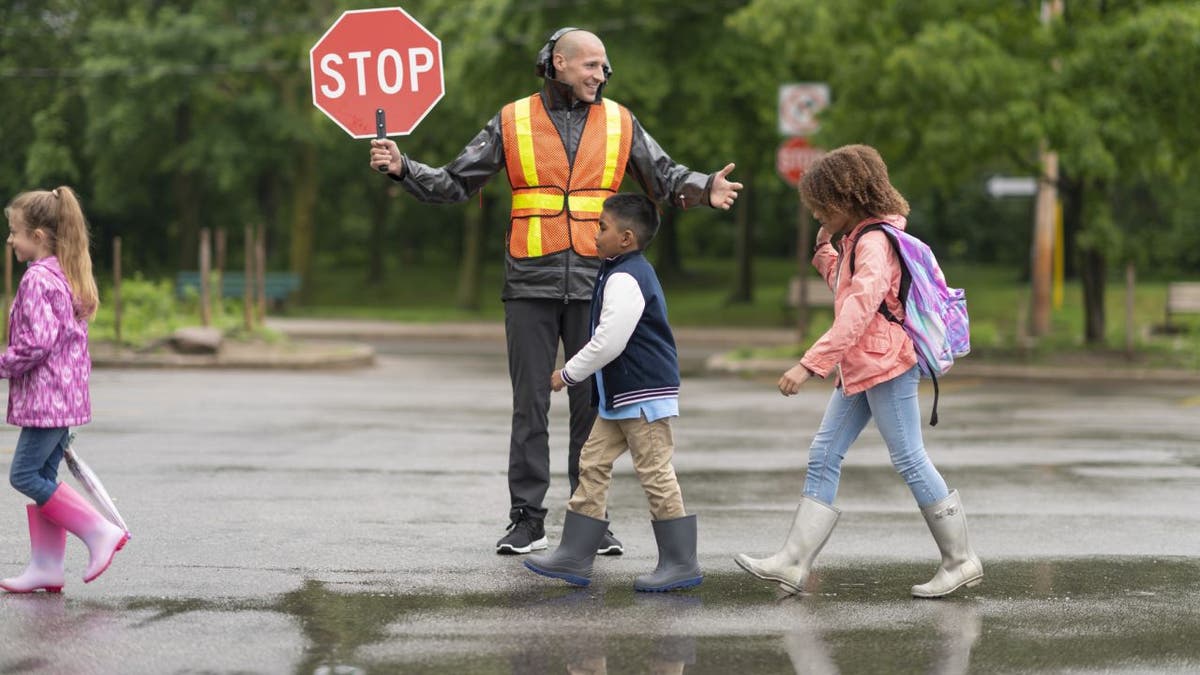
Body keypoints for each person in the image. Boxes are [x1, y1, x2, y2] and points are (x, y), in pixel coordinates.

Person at [369, 27, 741, 555]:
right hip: (528, 281)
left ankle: (592, 519)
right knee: (530, 405)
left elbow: (665, 176)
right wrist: (404, 167)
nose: (601, 74)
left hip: (598, 281)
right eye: (591, 65)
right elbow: (455, 182)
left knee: (595, 407)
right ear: (558, 63)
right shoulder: (513, 119)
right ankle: (527, 520)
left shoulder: (620, 121)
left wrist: (706, 187)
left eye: (605, 67)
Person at [733, 145, 982, 598]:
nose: (815, 214)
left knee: (908, 457)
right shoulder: (860, 240)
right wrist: (823, 247)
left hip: (884, 364)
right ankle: (792, 563)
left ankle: (960, 559)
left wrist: (809, 364)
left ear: (845, 201)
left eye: (820, 208)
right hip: (862, 365)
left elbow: (859, 311)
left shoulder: (873, 241)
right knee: (824, 454)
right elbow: (848, 290)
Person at [523, 193, 701, 592]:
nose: (595, 232)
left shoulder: (626, 276)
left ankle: (680, 561)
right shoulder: (617, 269)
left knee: (654, 472)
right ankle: (575, 553)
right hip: (621, 397)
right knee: (593, 461)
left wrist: (568, 374)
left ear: (626, 238)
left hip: (643, 394)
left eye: (602, 227)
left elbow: (610, 341)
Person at [0, 187, 129, 594]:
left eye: (15, 232)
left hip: (47, 400)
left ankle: (98, 532)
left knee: (23, 475)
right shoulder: (65, 273)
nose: (9, 240)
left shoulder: (38, 278)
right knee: (43, 476)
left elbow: (36, 343)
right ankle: (46, 567)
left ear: (38, 236)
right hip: (65, 399)